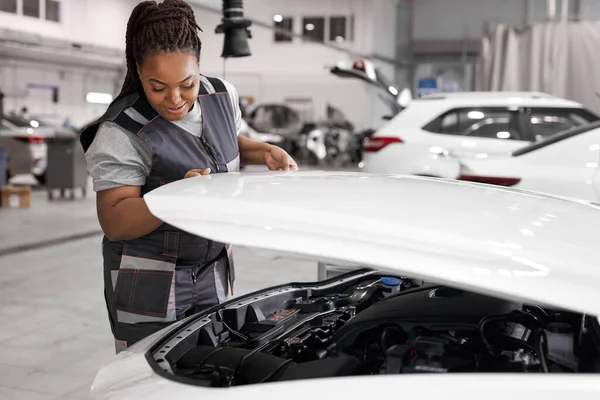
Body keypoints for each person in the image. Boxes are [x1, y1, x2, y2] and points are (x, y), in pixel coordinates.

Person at [79, 0, 298, 353]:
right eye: (157, 87)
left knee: (212, 365)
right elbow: (115, 220)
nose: (175, 99)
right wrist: (178, 197)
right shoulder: (122, 131)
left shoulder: (222, 96)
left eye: (187, 83)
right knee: (150, 376)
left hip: (211, 269)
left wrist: (261, 151)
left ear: (199, 65)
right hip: (149, 278)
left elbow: (219, 143)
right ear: (137, 70)